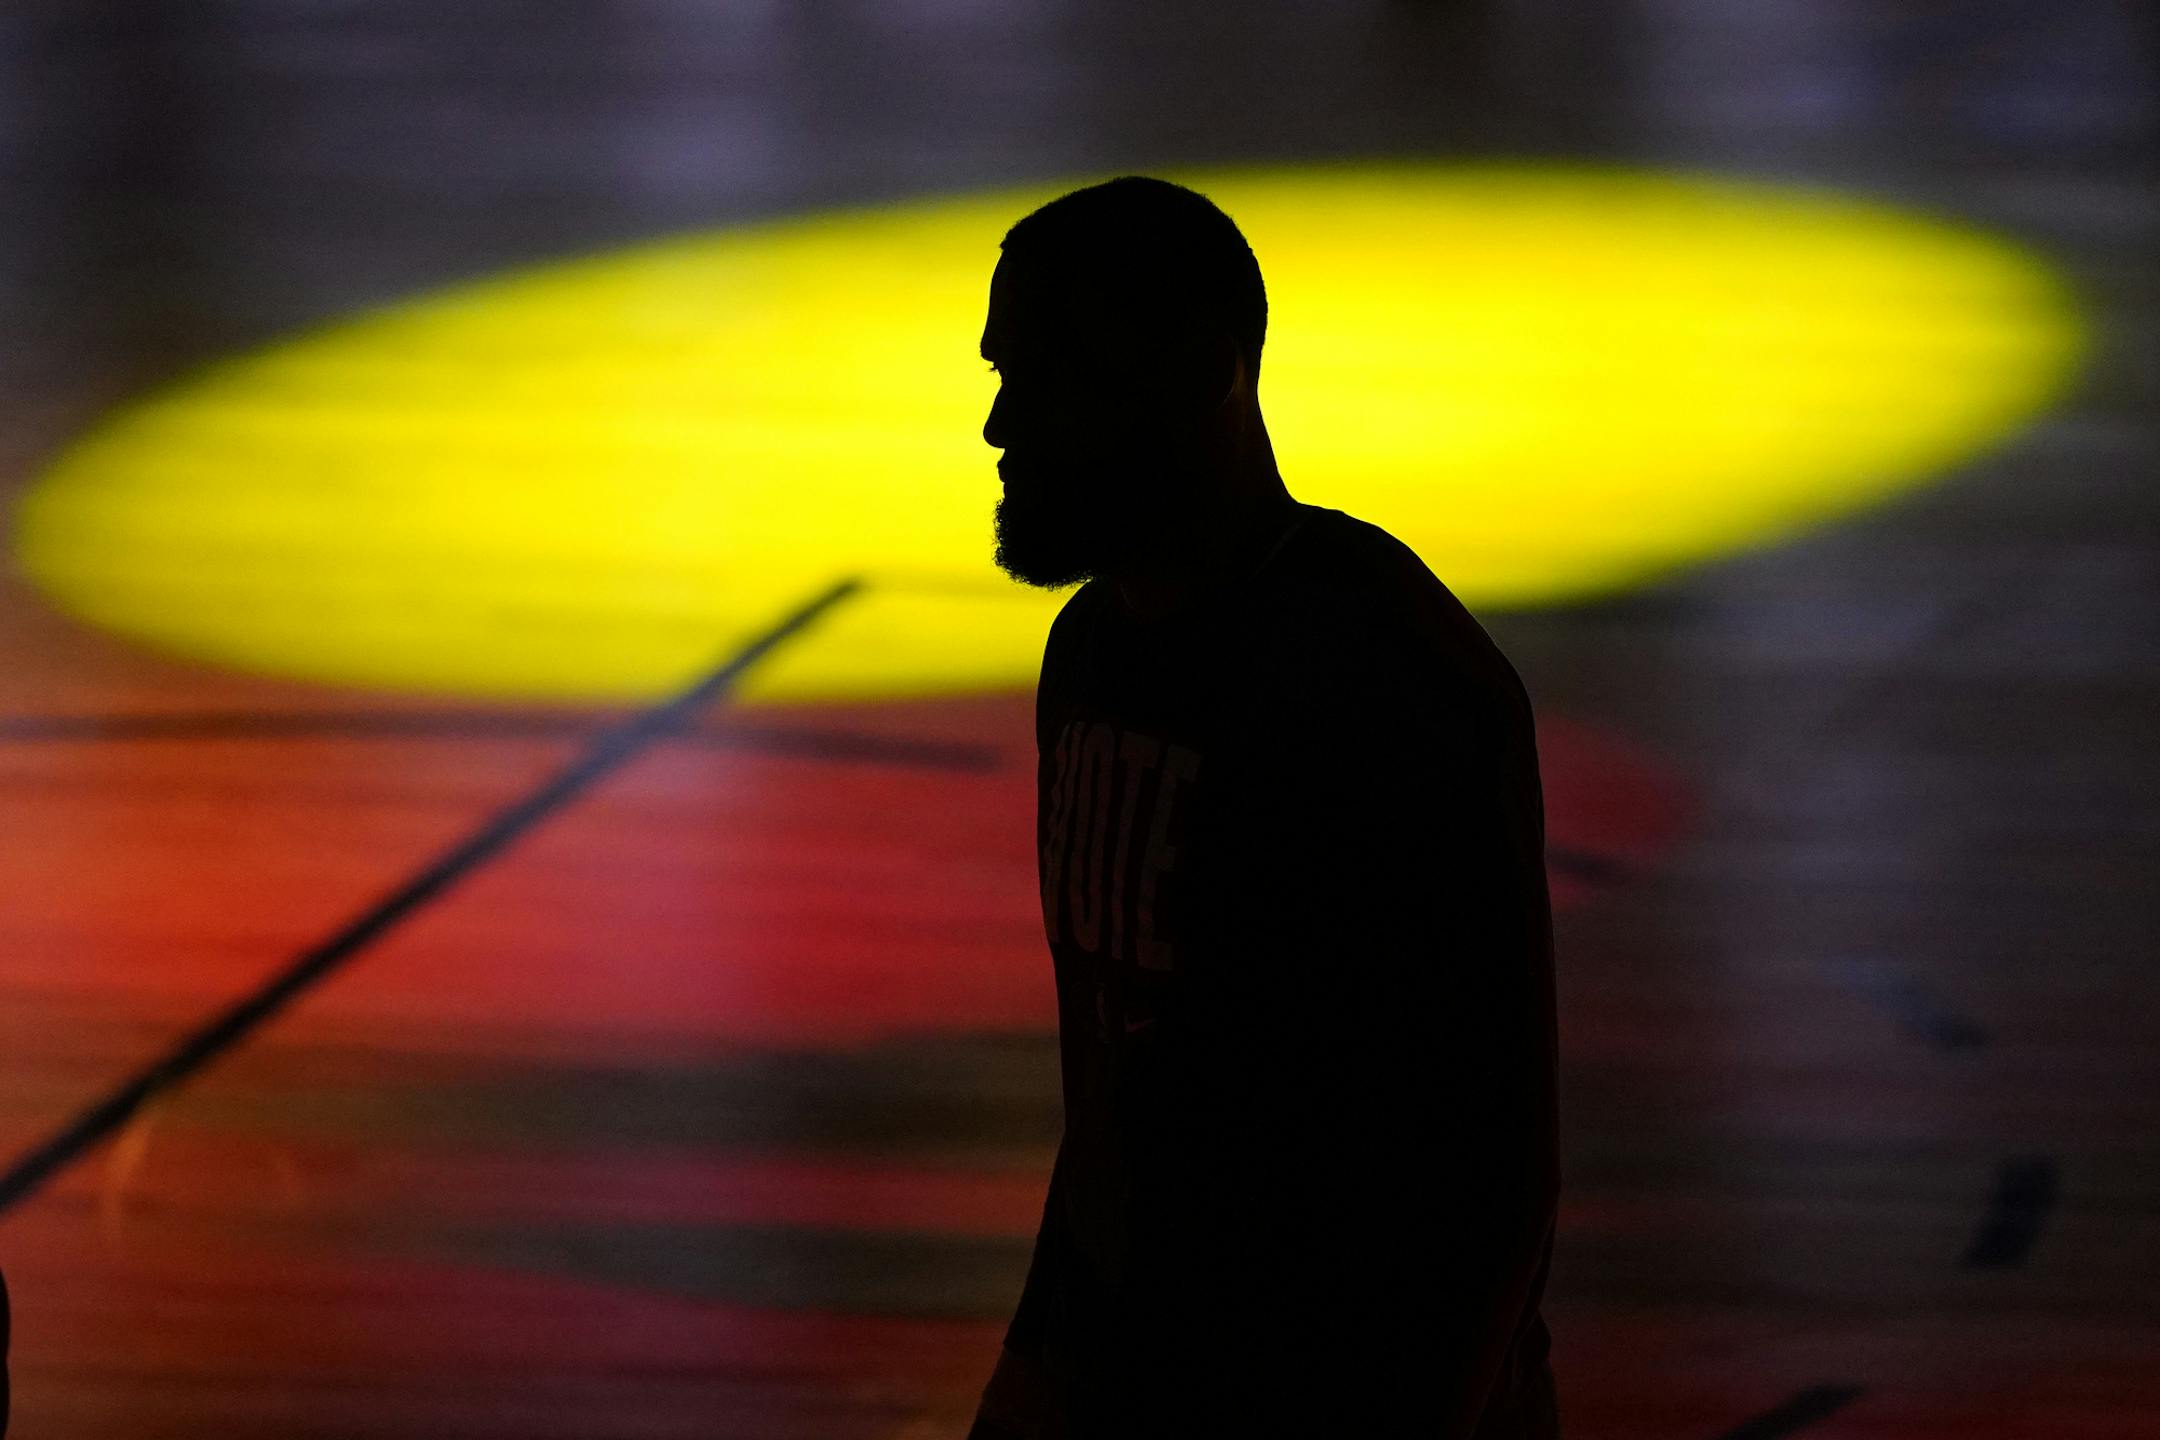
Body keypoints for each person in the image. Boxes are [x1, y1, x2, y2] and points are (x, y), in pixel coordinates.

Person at [968, 174, 1562, 1439]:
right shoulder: (1090, 659)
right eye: (1001, 375)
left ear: (1199, 380)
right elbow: (1107, 1112)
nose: (999, 426)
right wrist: (1034, 1374)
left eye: (1046, 378)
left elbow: (1495, 1172)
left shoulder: (1386, 680)